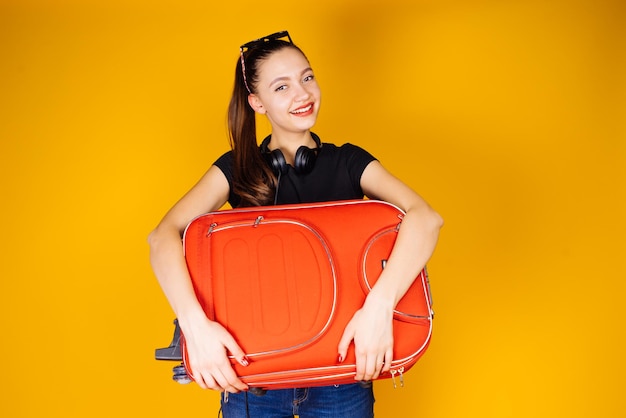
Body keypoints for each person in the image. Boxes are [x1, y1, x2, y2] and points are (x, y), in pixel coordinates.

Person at [148, 31, 443, 418]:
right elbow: (162, 237)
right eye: (282, 86)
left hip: (342, 375)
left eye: (307, 77)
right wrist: (196, 327)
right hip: (254, 379)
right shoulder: (237, 169)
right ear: (257, 102)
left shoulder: (349, 162)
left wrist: (378, 307)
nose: (302, 94)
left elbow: (425, 218)